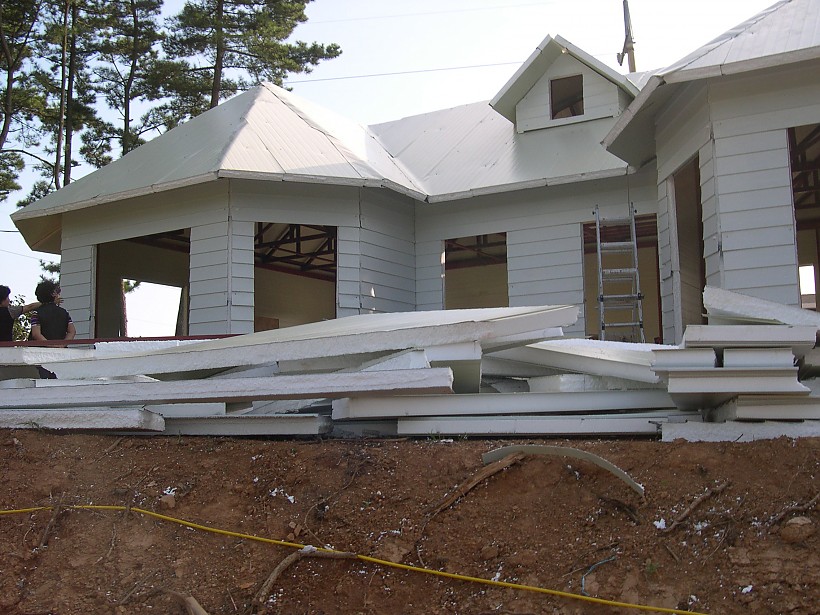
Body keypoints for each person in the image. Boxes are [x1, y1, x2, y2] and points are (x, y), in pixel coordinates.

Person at [29, 281, 76, 345]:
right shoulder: (64, 313)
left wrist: (50, 345)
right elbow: (72, 331)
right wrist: (62, 345)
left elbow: (36, 334)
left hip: (40, 349)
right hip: (60, 349)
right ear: (53, 294)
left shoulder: (36, 313)